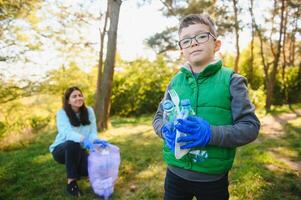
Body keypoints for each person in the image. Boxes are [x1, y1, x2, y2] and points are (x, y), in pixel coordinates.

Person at [153, 13, 261, 200]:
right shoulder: (174, 83)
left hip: (212, 179)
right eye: (186, 41)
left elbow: (250, 127)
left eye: (201, 36)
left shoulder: (232, 81)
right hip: (174, 174)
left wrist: (211, 134)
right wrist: (164, 130)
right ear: (181, 50)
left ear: (216, 44)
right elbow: (158, 118)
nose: (193, 43)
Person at [49, 86, 107, 197]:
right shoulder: (62, 113)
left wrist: (96, 141)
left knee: (90, 170)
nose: (78, 98)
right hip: (61, 150)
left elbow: (92, 132)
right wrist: (83, 140)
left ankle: (94, 180)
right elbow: (66, 132)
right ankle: (71, 182)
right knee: (72, 143)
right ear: (68, 101)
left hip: (79, 149)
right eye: (74, 96)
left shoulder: (89, 111)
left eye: (80, 95)